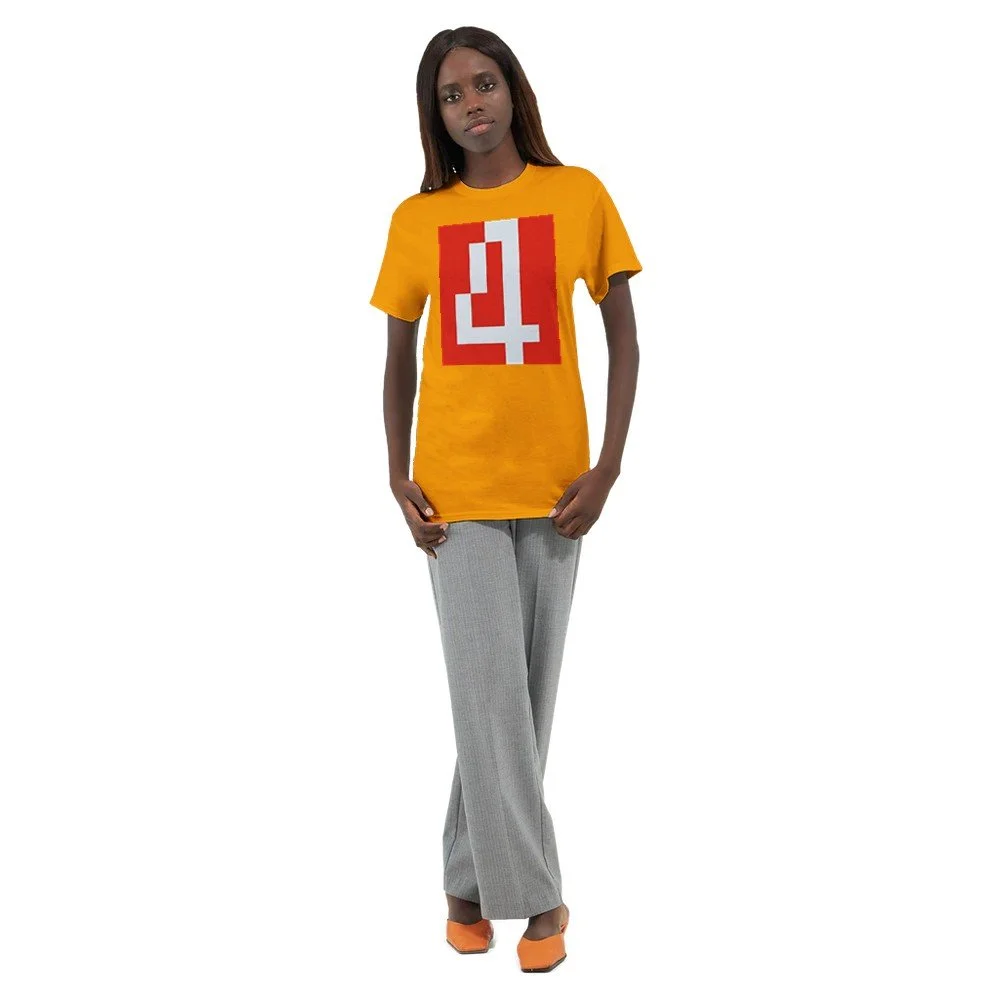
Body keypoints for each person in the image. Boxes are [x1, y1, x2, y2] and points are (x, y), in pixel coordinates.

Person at [369, 25, 642, 973]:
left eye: (484, 84)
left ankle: (463, 882)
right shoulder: (417, 219)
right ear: (435, 116)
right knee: (492, 697)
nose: (472, 104)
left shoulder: (579, 196)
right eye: (451, 95)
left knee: (519, 703)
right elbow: (399, 356)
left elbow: (625, 340)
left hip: (560, 488)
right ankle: (541, 899)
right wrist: (395, 471)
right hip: (456, 490)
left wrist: (608, 467)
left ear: (514, 89)